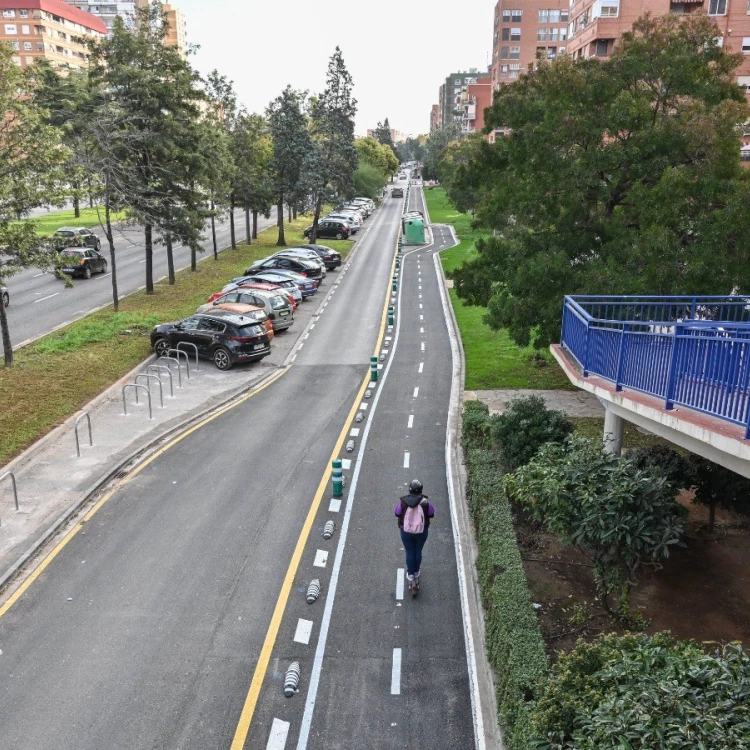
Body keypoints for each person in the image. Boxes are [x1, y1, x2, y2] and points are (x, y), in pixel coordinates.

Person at [394, 479, 435, 595]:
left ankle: (410, 575)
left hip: (406, 531)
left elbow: (397, 513)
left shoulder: (403, 502)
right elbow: (431, 514)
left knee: (409, 551)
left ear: (410, 489)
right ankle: (416, 573)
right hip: (422, 531)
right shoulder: (426, 502)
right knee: (418, 551)